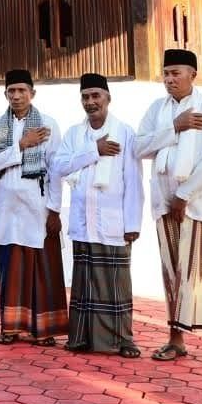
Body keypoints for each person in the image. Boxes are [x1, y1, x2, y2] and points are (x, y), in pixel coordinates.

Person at [135, 49, 202, 369]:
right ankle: (176, 340)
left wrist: (185, 194)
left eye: (176, 72)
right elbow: (139, 147)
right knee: (173, 270)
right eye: (166, 73)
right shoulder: (157, 109)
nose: (169, 79)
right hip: (164, 202)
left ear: (193, 74)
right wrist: (175, 126)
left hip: (199, 204)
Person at [51, 73, 143, 358]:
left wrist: (132, 223)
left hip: (114, 221)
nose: (91, 102)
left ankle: (122, 341)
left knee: (115, 285)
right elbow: (59, 166)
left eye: (96, 96)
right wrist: (94, 150)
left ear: (108, 98)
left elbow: (133, 180)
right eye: (85, 97)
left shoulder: (125, 132)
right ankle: (81, 338)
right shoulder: (75, 134)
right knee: (84, 282)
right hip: (83, 219)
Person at [0, 68, 67, 346]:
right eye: (11, 91)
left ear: (32, 93)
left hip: (38, 204)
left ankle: (43, 330)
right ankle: (10, 327)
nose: (17, 96)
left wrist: (54, 209)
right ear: (5, 94)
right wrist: (21, 145)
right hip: (7, 207)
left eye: (22, 90)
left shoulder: (49, 124)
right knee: (10, 266)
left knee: (40, 269)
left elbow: (56, 169)